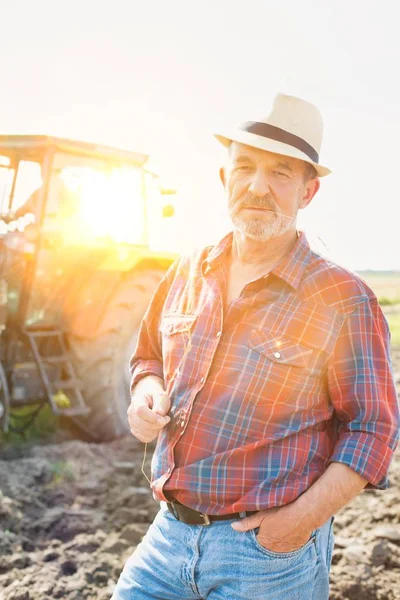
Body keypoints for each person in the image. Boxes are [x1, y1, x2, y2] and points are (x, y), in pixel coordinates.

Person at [112, 93, 400, 600]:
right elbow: (147, 357)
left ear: (308, 192)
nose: (257, 186)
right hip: (168, 536)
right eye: (244, 167)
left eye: (281, 173)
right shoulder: (186, 270)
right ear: (224, 179)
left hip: (266, 557)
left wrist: (296, 524)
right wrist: (145, 394)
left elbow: (373, 429)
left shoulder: (342, 298)